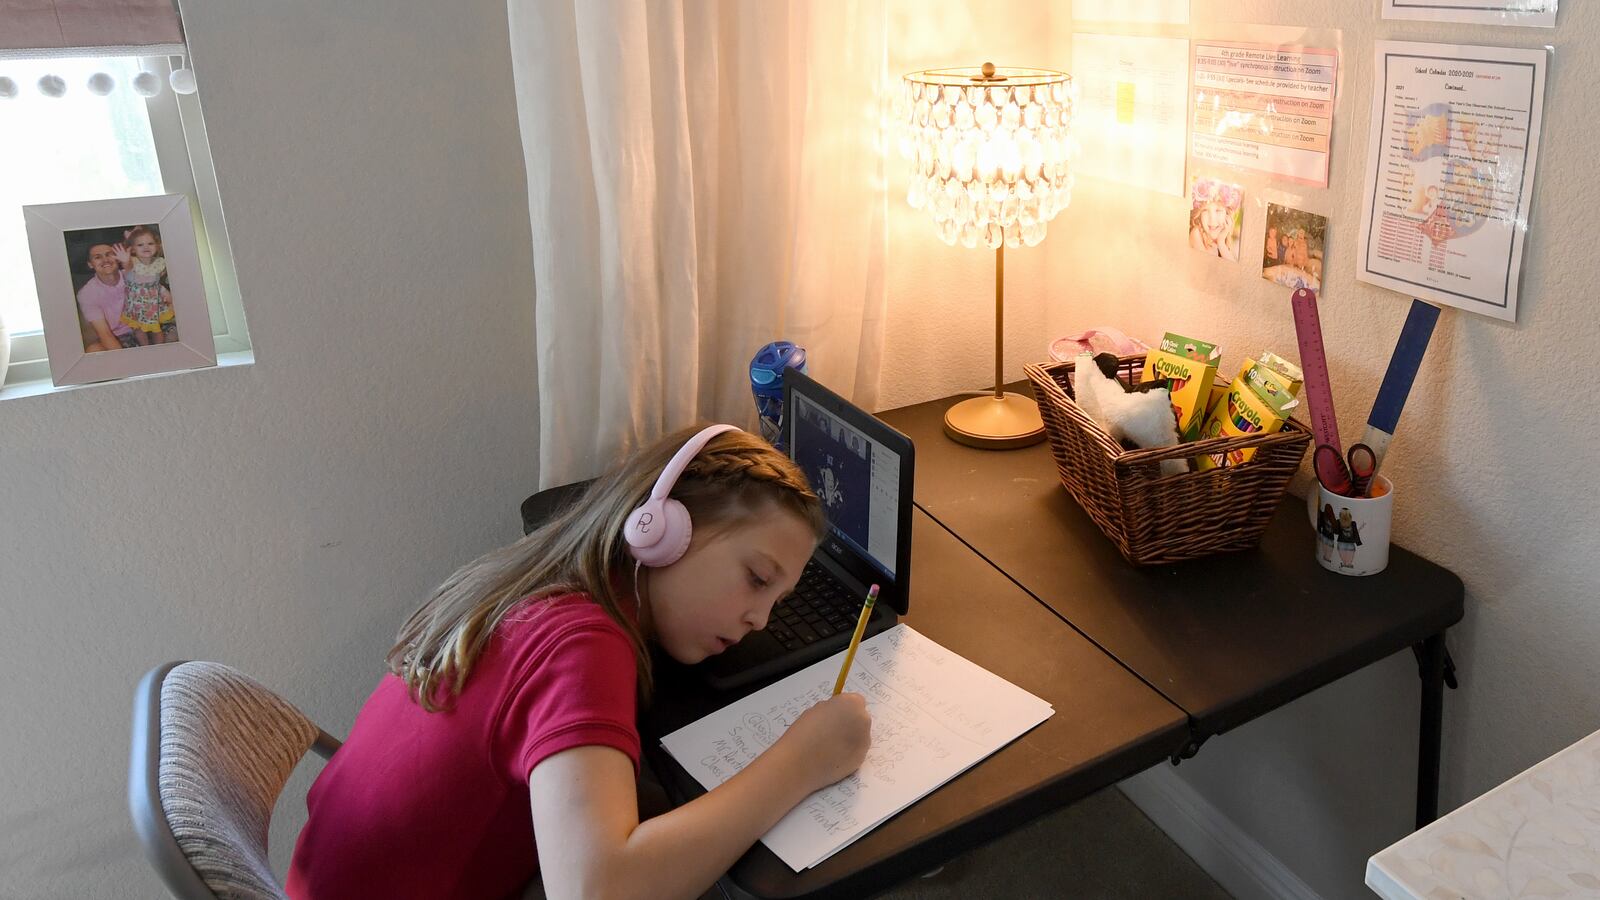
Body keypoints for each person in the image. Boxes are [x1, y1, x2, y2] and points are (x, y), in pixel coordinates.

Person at [285, 425, 873, 900]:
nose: (761, 620)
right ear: (660, 529)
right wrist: (801, 761)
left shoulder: (541, 584)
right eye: (756, 578)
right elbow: (598, 890)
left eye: (776, 599)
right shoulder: (581, 644)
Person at [114, 226, 174, 345]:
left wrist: (166, 294)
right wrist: (125, 261)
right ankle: (145, 347)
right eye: (140, 245)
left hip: (153, 305)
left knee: (157, 330)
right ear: (133, 250)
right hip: (137, 306)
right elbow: (128, 267)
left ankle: (159, 349)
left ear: (157, 246)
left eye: (150, 243)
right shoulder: (132, 262)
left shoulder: (160, 263)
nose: (146, 247)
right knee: (138, 329)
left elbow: (157, 283)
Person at [74, 242, 136, 352]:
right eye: (98, 257)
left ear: (117, 258)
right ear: (90, 264)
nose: (105, 260)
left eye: (109, 254)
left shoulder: (130, 275)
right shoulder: (87, 293)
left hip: (146, 327)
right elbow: (105, 334)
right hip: (119, 336)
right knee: (93, 350)